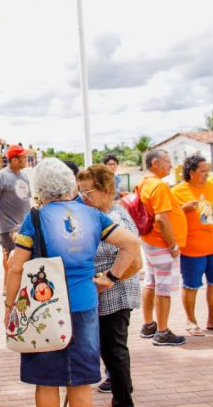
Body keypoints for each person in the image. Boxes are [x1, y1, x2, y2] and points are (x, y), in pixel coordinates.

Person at [5, 159, 140, 407]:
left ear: (41, 189)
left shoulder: (35, 219)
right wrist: (110, 278)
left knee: (46, 382)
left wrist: (10, 306)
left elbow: (16, 268)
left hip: (43, 307)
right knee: (80, 381)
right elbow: (131, 244)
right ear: (71, 184)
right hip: (85, 305)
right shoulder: (94, 215)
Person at [76, 165, 141, 406]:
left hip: (116, 296)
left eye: (87, 192)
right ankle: (123, 389)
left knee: (114, 351)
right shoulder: (102, 215)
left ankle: (123, 400)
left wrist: (109, 279)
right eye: (80, 193)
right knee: (111, 350)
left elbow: (135, 261)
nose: (83, 198)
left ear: (105, 191)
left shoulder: (114, 217)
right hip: (107, 295)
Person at [171, 154, 213, 337]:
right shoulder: (177, 191)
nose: (207, 174)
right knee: (191, 285)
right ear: (191, 172)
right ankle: (191, 321)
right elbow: (170, 217)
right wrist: (184, 209)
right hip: (192, 248)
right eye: (202, 171)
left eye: (208, 170)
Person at [138, 149, 188, 346]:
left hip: (150, 240)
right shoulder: (158, 186)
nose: (170, 164)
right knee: (163, 287)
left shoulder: (143, 182)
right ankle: (162, 331)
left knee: (150, 282)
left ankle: (149, 324)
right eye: (167, 161)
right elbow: (161, 218)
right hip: (161, 243)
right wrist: (173, 244)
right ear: (155, 164)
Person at [0, 144, 31, 295]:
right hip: (8, 227)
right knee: (9, 256)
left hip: (25, 226)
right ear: (13, 160)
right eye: (23, 157)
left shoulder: (24, 176)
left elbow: (26, 200)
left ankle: (18, 286)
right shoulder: (0, 177)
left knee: (23, 258)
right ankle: (8, 288)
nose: (26, 160)